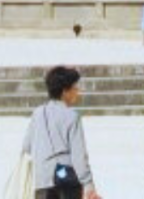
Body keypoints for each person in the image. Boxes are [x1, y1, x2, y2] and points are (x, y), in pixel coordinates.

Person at [22, 65, 100, 199]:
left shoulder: (38, 113)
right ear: (65, 91)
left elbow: (26, 147)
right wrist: (89, 185)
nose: (77, 91)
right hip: (66, 183)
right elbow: (79, 155)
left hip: (41, 182)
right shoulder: (72, 116)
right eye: (75, 87)